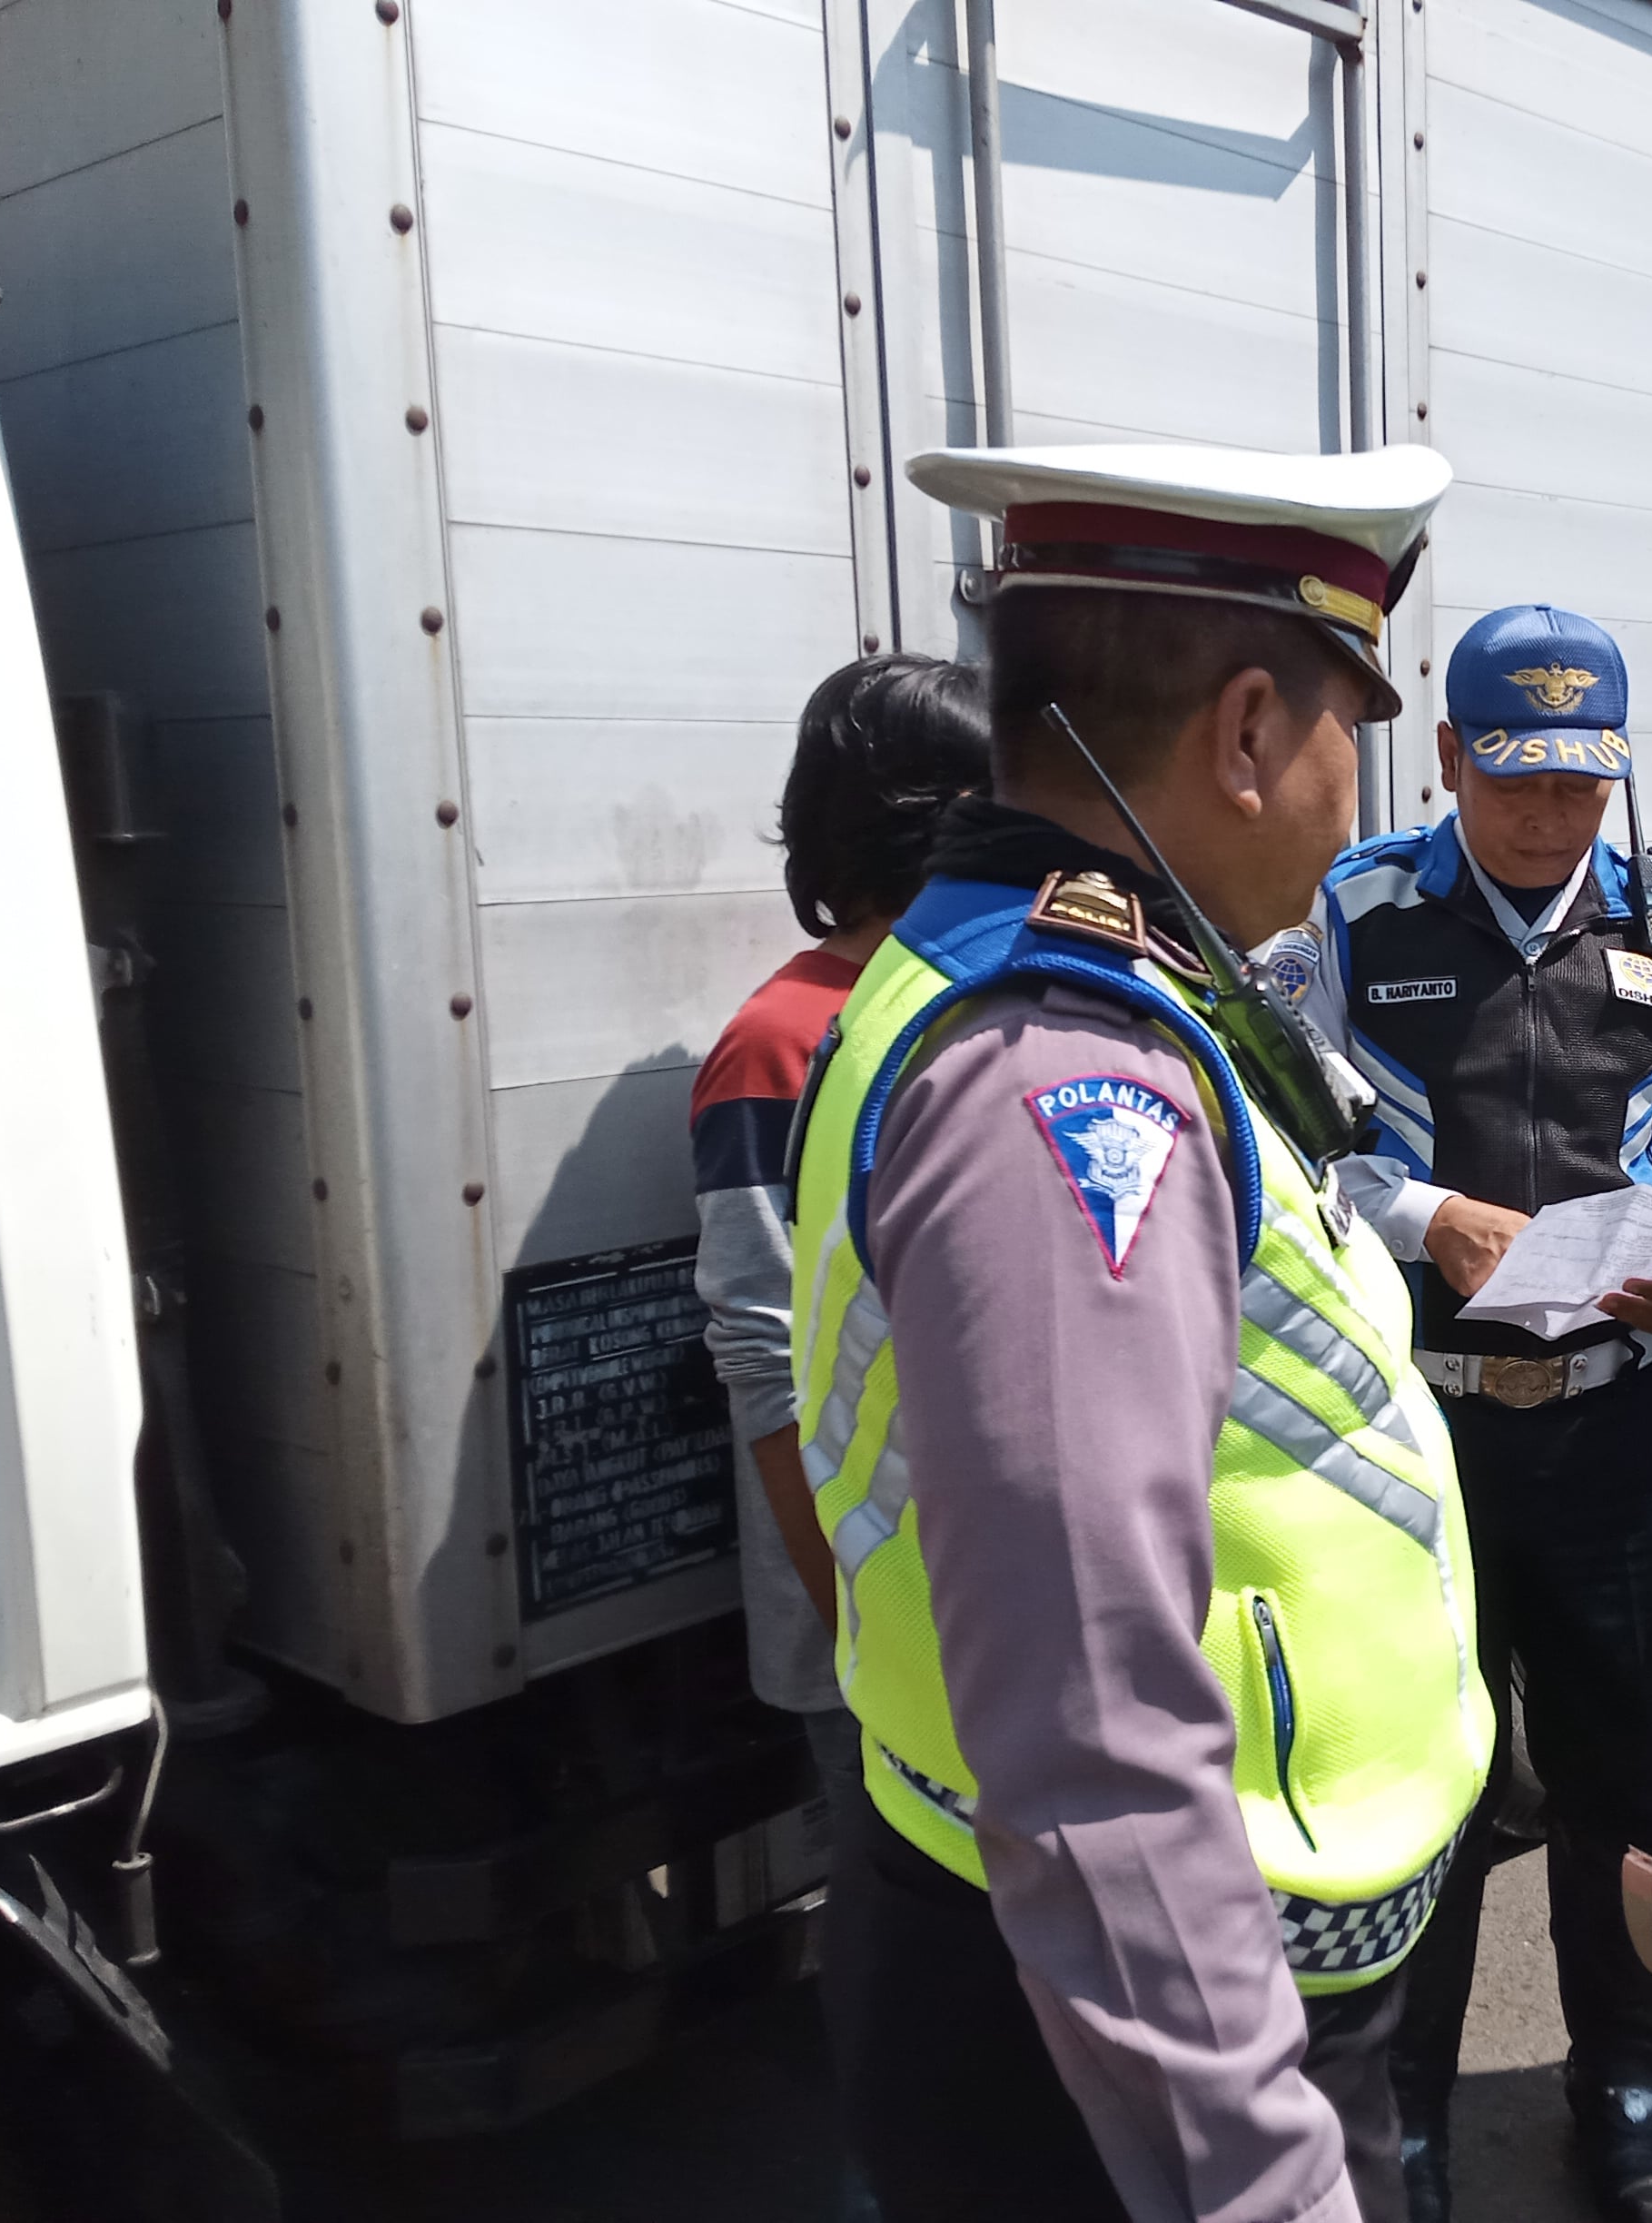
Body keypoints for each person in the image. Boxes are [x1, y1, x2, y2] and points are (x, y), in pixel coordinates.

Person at [787, 441, 1494, 2223]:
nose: (1359, 793)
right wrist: (1257, 2183)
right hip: (1141, 2041)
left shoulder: (1064, 970)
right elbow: (1092, 1730)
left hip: (1116, 1981)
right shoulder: (1065, 1077)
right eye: (1358, 730)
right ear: (1249, 731)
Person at [1289, 605, 1652, 2223]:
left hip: (1615, 1431)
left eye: (1578, 785)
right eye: (1512, 780)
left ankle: (1628, 2088)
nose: (1545, 816)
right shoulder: (1352, 916)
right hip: (1411, 1434)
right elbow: (1285, 1145)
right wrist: (1423, 1213)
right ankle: (1405, 2115)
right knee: (1418, 1785)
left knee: (1628, 1780)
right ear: (1444, 759)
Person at [690, 652, 985, 2221]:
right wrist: (859, 1619)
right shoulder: (780, 1044)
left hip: (996, 1621)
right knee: (904, 1994)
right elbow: (765, 1368)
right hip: (866, 1627)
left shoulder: (970, 1008)